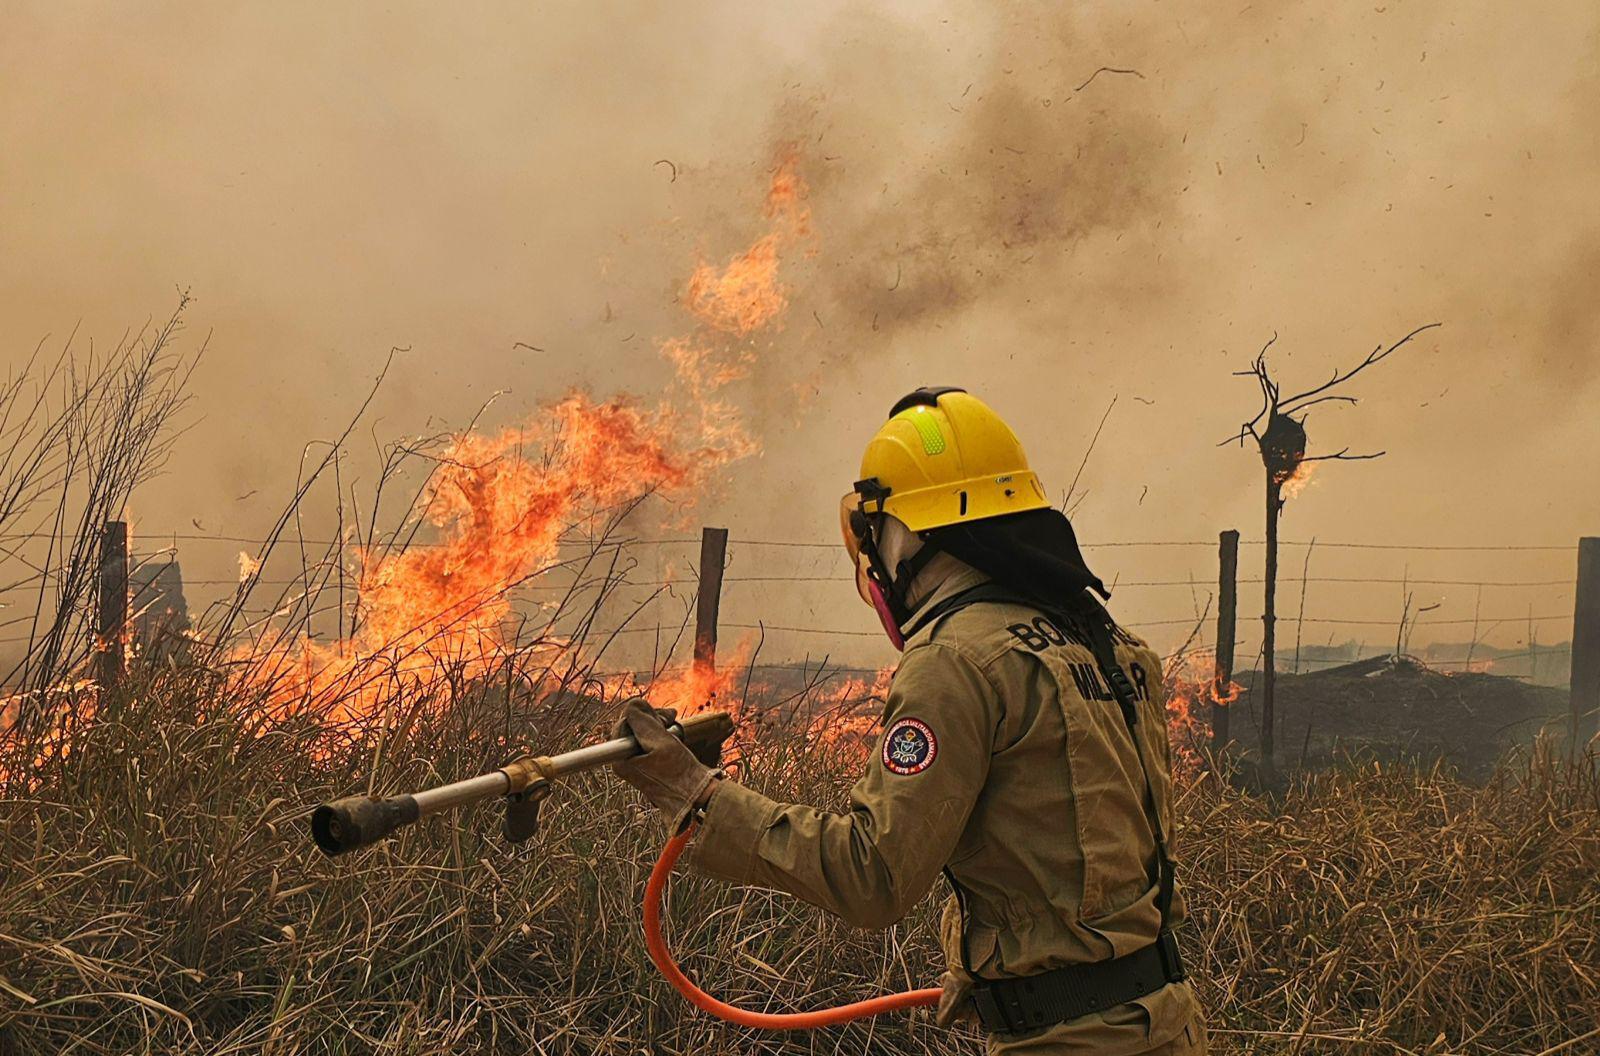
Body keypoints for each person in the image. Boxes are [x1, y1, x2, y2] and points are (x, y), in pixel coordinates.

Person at [612, 387, 1208, 1054]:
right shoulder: (1110, 643)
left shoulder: (956, 660)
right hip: (1164, 1022)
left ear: (904, 535)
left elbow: (873, 876)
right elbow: (1087, 859)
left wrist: (695, 797)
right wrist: (1007, 971)